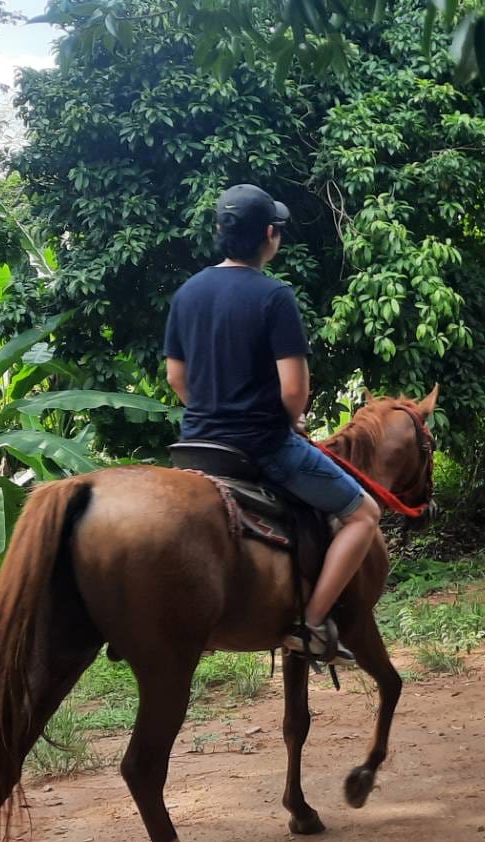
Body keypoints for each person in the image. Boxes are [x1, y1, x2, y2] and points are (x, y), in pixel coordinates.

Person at [163, 184, 375, 665]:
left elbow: (177, 377)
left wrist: (211, 413)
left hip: (195, 445)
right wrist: (286, 424)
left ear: (220, 232)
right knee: (363, 515)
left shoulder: (188, 292)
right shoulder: (274, 296)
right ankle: (313, 622)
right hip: (261, 445)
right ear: (270, 236)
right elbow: (294, 392)